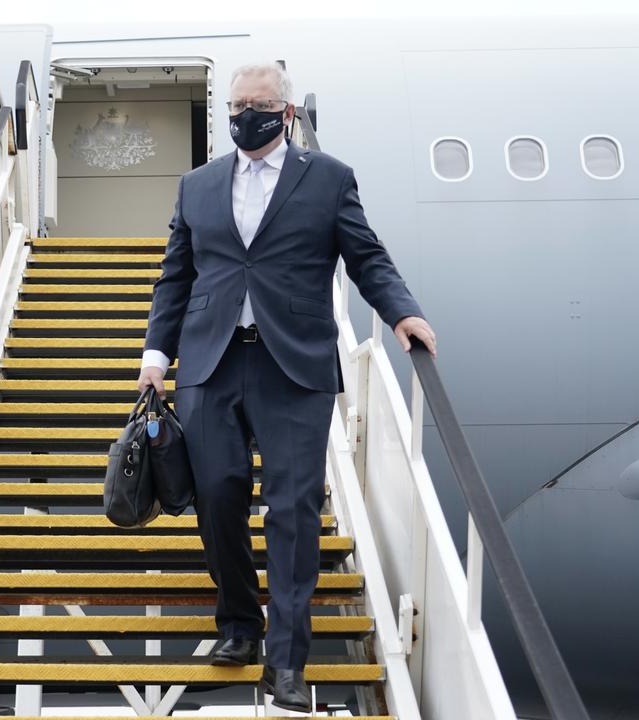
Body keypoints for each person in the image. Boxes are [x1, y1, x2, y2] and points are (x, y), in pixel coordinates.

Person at [137, 62, 437, 712]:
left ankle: (288, 663)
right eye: (238, 106)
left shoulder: (327, 180)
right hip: (211, 364)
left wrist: (401, 311)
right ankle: (240, 625)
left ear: (287, 112)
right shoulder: (198, 185)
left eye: (259, 105)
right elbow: (176, 276)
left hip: (293, 367)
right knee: (217, 499)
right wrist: (156, 355)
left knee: (293, 510)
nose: (246, 115)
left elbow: (366, 255)